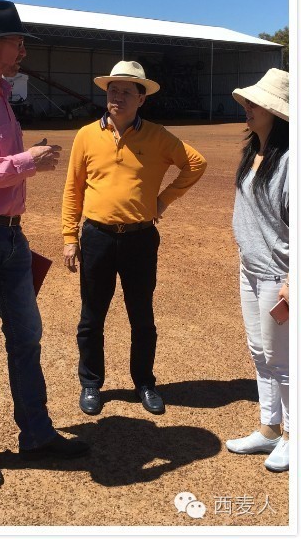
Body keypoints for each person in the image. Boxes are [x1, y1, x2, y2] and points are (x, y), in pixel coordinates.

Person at [0, 0, 89, 488]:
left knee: (27, 336)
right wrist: (25, 163)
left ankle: (36, 433)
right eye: (17, 41)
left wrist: (25, 159)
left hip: (10, 238)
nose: (23, 50)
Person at [62, 61, 207, 417]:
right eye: (113, 90)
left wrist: (163, 200)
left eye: (127, 91)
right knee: (91, 317)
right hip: (96, 236)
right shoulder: (86, 135)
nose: (118, 97)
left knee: (141, 316)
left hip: (140, 239)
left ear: (142, 99)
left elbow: (196, 163)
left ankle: (144, 382)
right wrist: (70, 236)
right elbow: (73, 189)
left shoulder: (158, 136)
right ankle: (91, 383)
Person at [225, 68, 289, 473]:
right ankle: (269, 429)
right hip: (250, 268)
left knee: (283, 360)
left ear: (276, 112)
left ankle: (292, 436)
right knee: (259, 353)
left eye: (255, 103)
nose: (247, 108)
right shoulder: (255, 153)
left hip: (279, 275)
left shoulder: (291, 160)